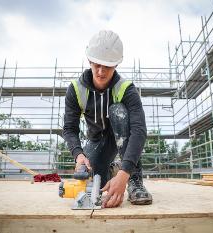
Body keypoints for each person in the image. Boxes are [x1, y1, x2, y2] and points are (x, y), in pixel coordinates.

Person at [63, 30, 152, 208]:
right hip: (97, 140)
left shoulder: (126, 89)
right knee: (97, 182)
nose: (101, 71)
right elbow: (69, 129)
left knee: (117, 110)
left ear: (116, 64)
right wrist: (79, 155)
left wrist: (125, 173)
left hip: (122, 136)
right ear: (89, 60)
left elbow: (139, 131)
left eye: (107, 66)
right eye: (96, 64)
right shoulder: (75, 89)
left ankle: (134, 180)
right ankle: (113, 170)